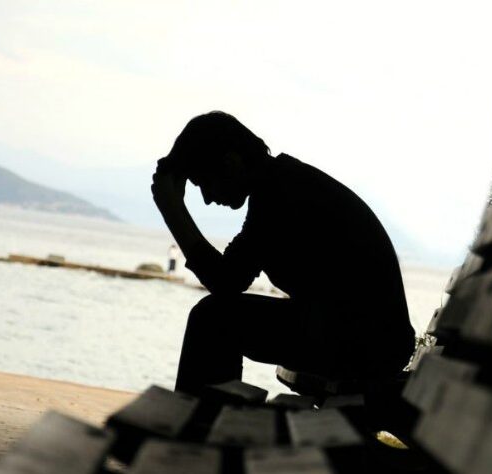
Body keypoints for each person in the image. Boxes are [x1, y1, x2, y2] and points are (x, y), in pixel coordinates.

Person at [151, 112, 416, 395]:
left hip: (366, 344)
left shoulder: (279, 194)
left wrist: (173, 211)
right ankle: (203, 422)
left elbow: (225, 281)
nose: (206, 198)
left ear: (231, 162)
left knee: (213, 320)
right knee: (215, 317)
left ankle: (194, 428)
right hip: (369, 339)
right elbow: (230, 276)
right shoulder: (281, 184)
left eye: (203, 182)